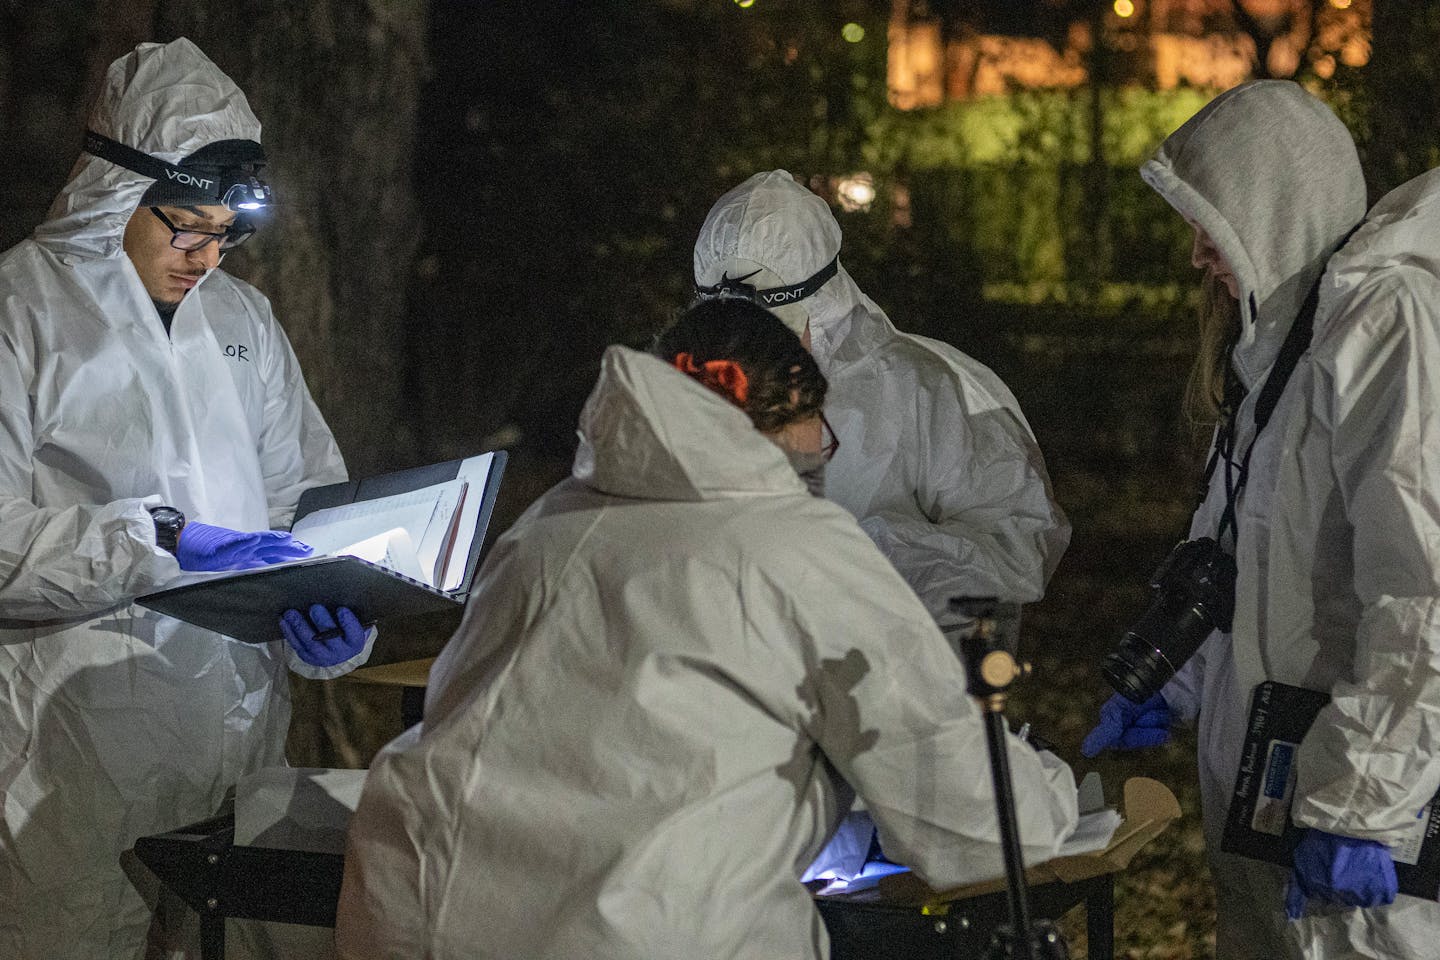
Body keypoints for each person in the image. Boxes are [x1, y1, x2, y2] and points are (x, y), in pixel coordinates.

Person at [335, 299, 1078, 960]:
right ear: (778, 420)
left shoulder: (548, 527)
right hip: (647, 932)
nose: (823, 457)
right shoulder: (795, 543)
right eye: (817, 432)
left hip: (414, 910)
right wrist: (1049, 785)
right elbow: (971, 818)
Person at [0, 39, 373, 957]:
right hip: (74, 764)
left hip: (236, 749)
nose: (207, 257)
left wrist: (331, 610)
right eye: (187, 230)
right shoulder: (22, 309)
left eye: (226, 235)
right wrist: (160, 539)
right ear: (117, 189)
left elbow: (304, 500)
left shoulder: (243, 321)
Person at [1084, 80, 1440, 959]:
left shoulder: (1384, 324)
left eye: (1214, 222)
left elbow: (1424, 586)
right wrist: (1176, 676)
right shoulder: (1282, 345)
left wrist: (1367, 802)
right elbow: (1244, 547)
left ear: (1275, 207)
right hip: (1270, 796)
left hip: (1353, 835)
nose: (1200, 253)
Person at [692, 171, 1070, 638]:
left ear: (825, 303)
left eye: (773, 333)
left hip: (897, 690)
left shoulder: (933, 388)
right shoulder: (695, 390)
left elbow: (1018, 548)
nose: (753, 357)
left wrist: (863, 558)